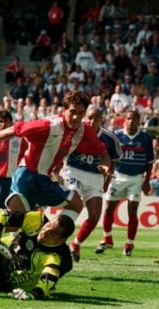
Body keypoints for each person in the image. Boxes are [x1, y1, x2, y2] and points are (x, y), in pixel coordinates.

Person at [0, 90, 111, 222]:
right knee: (13, 225)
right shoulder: (50, 125)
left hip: (44, 179)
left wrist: (106, 164)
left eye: (80, 113)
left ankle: (46, 232)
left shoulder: (84, 131)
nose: (76, 117)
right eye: (72, 112)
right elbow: (16, 128)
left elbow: (103, 152)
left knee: (74, 205)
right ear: (64, 110)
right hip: (27, 175)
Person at [62, 106, 122, 262]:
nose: (92, 121)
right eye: (89, 118)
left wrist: (107, 181)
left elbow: (114, 160)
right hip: (74, 172)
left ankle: (75, 244)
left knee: (94, 217)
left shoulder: (110, 138)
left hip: (95, 178)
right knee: (72, 206)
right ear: (84, 117)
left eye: (96, 119)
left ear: (102, 120)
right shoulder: (76, 131)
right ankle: (57, 241)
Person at [96, 110, 154, 256]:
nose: (130, 121)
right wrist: (107, 178)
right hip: (117, 176)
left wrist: (147, 181)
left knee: (132, 211)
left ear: (139, 121)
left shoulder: (146, 138)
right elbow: (109, 157)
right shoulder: (116, 135)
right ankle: (107, 238)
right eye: (128, 118)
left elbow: (149, 162)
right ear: (124, 120)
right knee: (108, 208)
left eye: (134, 119)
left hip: (136, 179)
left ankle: (129, 244)